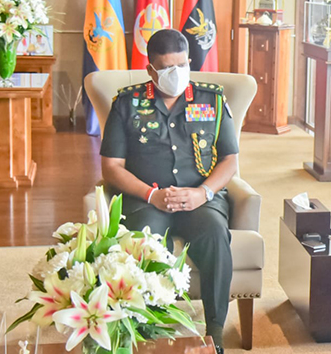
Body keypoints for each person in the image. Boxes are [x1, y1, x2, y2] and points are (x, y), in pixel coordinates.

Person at [100, 29, 237, 354]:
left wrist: (203, 193)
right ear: (150, 70)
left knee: (215, 234)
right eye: (166, 68)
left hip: (200, 198)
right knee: (143, 242)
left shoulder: (212, 99)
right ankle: (146, 332)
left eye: (182, 65)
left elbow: (230, 160)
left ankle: (214, 333)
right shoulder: (127, 103)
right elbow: (111, 166)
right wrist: (151, 195)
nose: (176, 73)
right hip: (146, 200)